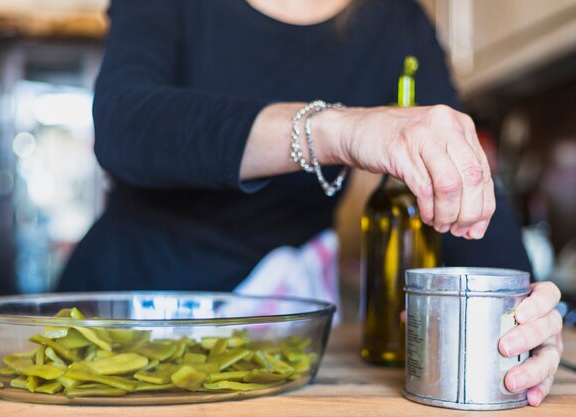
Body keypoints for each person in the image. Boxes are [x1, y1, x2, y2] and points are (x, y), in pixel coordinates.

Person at [58, 0, 563, 406]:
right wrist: (338, 129)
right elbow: (126, 126)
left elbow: (462, 191)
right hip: (120, 321)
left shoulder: (398, 21)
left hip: (279, 343)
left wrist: (521, 317)